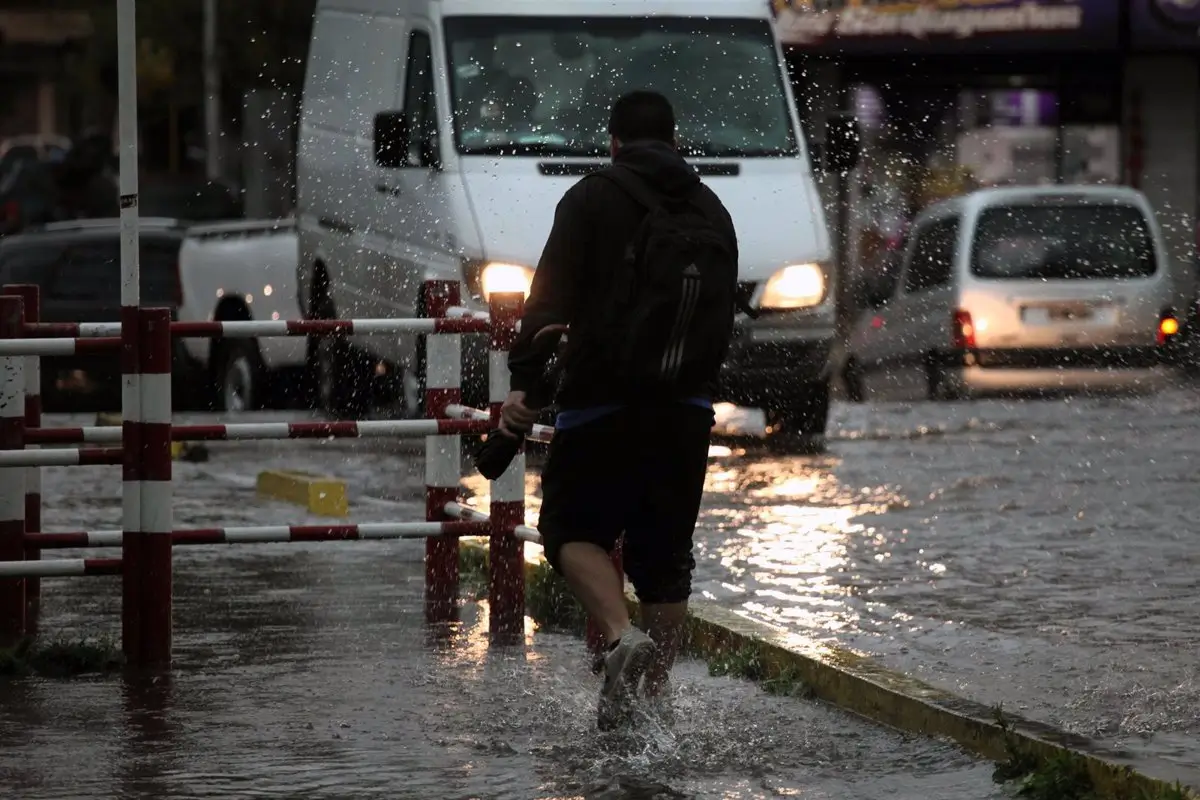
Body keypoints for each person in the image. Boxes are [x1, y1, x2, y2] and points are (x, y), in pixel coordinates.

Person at [498, 89, 739, 730]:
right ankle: (653, 702)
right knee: (666, 562)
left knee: (571, 532)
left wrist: (524, 384)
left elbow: (546, 302)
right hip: (686, 411)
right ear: (675, 138)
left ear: (613, 141)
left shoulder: (591, 198)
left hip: (603, 404)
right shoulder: (712, 210)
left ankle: (619, 635)